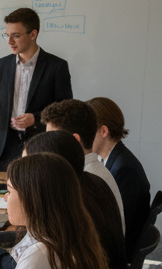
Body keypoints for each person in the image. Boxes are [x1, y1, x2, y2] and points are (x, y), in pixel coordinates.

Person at [0, 131, 126, 269]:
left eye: (29, 165)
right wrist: (2, 237)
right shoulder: (86, 183)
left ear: (45, 170)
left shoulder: (75, 201)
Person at [0, 7, 72, 170]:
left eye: (15, 36)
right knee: (5, 194)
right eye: (7, 35)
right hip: (6, 148)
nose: (9, 41)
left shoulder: (56, 66)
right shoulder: (2, 65)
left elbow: (64, 111)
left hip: (42, 147)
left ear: (33, 34)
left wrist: (35, 119)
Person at [41, 99, 125, 233]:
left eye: (52, 137)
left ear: (74, 140)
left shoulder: (85, 180)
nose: (46, 145)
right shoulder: (90, 169)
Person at [87, 96, 151, 256]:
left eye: (88, 131)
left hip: (118, 254)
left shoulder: (124, 169)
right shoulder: (112, 159)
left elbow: (116, 223)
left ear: (103, 131)